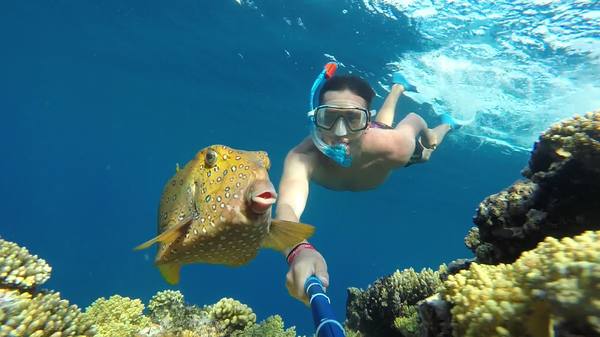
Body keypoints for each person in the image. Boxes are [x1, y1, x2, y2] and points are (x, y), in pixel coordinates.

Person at [275, 64, 460, 304]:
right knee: (383, 126)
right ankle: (397, 87)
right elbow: (286, 208)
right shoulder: (302, 158)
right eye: (329, 118)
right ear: (315, 117)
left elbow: (413, 119)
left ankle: (445, 123)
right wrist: (299, 250)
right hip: (375, 136)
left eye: (353, 118)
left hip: (383, 145)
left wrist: (427, 136)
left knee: (424, 150)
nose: (340, 133)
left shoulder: (396, 147)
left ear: (365, 120)